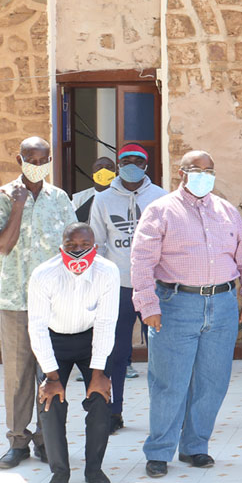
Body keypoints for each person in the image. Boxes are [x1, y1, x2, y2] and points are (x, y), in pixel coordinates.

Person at [131, 150, 242, 477]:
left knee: (212, 381)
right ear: (182, 173)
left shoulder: (227, 211)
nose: (204, 175)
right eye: (197, 170)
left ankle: (195, 446)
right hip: (176, 305)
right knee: (169, 382)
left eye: (209, 169)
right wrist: (148, 306)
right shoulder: (160, 211)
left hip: (221, 306)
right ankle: (160, 451)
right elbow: (142, 262)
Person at [0, 136, 77, 469]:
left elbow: (72, 245)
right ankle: (17, 440)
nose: (38, 167)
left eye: (44, 160)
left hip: (55, 302)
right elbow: (3, 246)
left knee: (50, 371)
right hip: (16, 300)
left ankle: (44, 439)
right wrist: (19, 206)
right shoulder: (4, 196)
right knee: (18, 374)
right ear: (19, 159)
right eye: (32, 160)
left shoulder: (60, 198)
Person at [27, 222, 119, 483]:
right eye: (71, 246)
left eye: (84, 246)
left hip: (92, 339)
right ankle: (60, 472)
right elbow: (37, 327)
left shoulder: (108, 271)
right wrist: (52, 377)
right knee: (50, 403)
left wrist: (99, 372)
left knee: (101, 400)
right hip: (54, 341)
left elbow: (106, 321)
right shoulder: (43, 275)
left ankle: (94, 470)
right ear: (61, 248)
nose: (78, 252)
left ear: (96, 247)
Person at [88, 143, 166, 433]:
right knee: (116, 354)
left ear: (146, 165)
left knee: (161, 355)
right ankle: (113, 411)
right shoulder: (104, 199)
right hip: (118, 286)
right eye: (125, 160)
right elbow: (96, 242)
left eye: (137, 160)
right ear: (118, 165)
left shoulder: (161, 197)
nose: (131, 164)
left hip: (155, 287)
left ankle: (164, 414)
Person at [71, 156, 117, 223]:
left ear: (115, 174)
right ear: (93, 176)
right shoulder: (78, 199)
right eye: (99, 168)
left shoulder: (124, 196)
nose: (104, 171)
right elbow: (71, 223)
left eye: (109, 167)